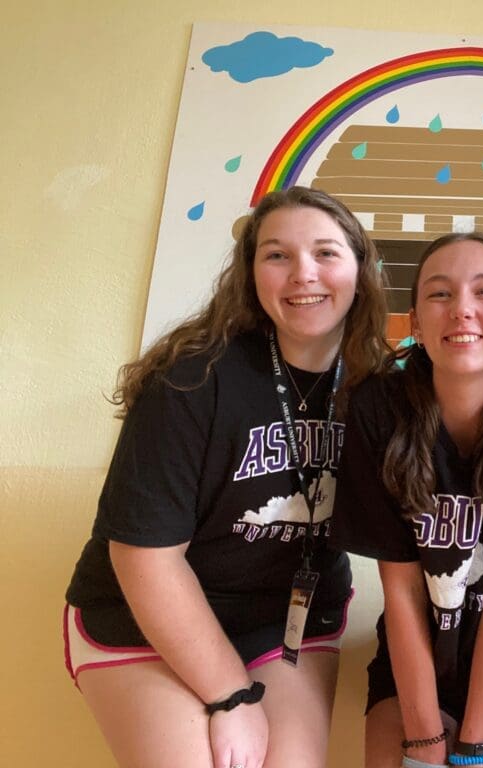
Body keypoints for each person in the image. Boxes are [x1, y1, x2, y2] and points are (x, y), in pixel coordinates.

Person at [64, 186, 389, 768]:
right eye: (277, 255)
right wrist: (230, 695)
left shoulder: (379, 386)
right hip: (144, 620)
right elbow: (145, 558)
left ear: (361, 271)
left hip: (283, 619)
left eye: (325, 253)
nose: (302, 274)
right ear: (250, 273)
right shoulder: (190, 379)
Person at [331, 232, 483, 768]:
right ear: (415, 320)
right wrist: (424, 743)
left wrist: (474, 749)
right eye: (440, 295)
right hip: (413, 652)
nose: (462, 309)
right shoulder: (379, 407)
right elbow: (399, 590)